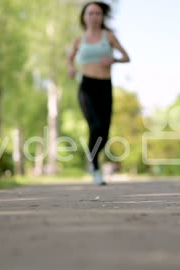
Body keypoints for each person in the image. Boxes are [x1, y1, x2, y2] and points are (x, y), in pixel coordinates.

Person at [67, 1, 130, 186]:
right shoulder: (79, 40)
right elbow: (70, 58)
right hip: (86, 87)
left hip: (104, 86)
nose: (94, 16)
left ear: (102, 17)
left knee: (104, 132)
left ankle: (93, 158)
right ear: (84, 17)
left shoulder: (108, 36)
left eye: (97, 13)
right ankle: (95, 167)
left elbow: (127, 57)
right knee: (95, 125)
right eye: (90, 13)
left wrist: (114, 60)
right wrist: (71, 68)